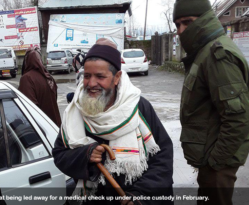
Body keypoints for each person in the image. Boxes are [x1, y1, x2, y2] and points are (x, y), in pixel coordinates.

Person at [53, 39, 174, 205]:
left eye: (100, 76)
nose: (91, 83)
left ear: (117, 78)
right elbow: (60, 155)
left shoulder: (138, 107)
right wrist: (86, 155)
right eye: (87, 76)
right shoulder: (75, 110)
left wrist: (139, 196)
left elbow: (162, 158)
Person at [172, 0, 249, 204]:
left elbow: (239, 118)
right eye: (177, 25)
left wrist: (216, 162)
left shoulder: (217, 55)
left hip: (218, 162)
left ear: (204, 19)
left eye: (187, 22)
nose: (181, 30)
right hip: (212, 158)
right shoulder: (205, 51)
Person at [18, 47, 61, 126]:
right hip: (56, 126)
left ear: (26, 62)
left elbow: (30, 108)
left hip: (42, 129)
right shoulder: (49, 77)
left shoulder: (27, 79)